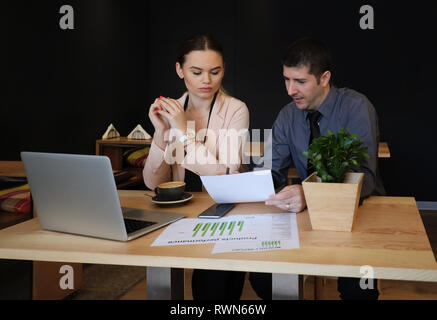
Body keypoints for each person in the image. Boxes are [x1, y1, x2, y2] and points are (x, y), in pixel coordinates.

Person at [251, 37, 385, 300]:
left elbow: (364, 179)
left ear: (324, 78)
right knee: (262, 277)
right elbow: (270, 170)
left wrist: (309, 193)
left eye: (300, 81)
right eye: (287, 79)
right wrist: (247, 182)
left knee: (358, 290)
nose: (291, 90)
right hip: (306, 214)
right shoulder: (287, 115)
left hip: (359, 211)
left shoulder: (356, 107)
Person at [143, 34, 250, 300]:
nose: (207, 80)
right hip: (178, 213)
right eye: (196, 72)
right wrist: (160, 134)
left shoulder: (236, 110)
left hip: (223, 213)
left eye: (215, 72)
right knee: (160, 278)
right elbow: (153, 184)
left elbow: (225, 175)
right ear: (180, 70)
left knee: (211, 287)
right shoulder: (170, 111)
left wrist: (181, 132)